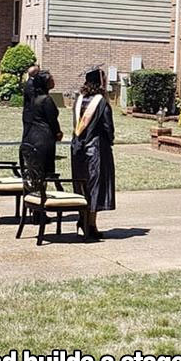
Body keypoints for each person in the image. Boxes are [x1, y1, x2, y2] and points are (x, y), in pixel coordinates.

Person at [70, 66, 116, 239]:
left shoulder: (78, 99)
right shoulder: (101, 102)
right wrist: (110, 141)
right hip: (96, 150)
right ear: (100, 82)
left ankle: (82, 219)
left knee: (81, 186)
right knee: (95, 187)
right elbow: (107, 127)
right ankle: (91, 224)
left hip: (77, 148)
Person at [22, 71, 62, 175]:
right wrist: (58, 132)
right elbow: (52, 119)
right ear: (45, 83)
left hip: (32, 136)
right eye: (51, 80)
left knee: (35, 171)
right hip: (44, 138)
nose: (54, 81)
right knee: (45, 171)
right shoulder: (46, 100)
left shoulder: (34, 98)